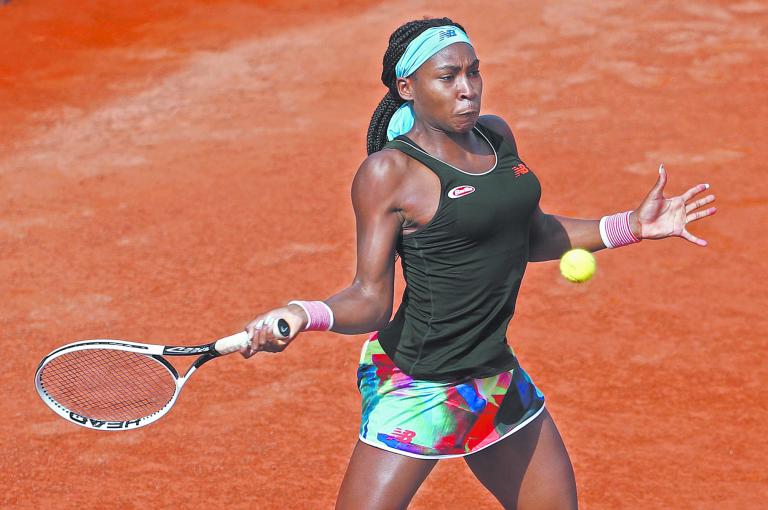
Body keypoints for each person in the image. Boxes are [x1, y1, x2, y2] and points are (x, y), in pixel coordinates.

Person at [241, 17, 717, 510]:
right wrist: (302, 313)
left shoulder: (495, 137)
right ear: (408, 87)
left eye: (474, 72)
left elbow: (530, 233)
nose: (468, 90)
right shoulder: (389, 172)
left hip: (491, 376)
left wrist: (630, 227)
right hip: (418, 381)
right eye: (448, 77)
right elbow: (370, 300)